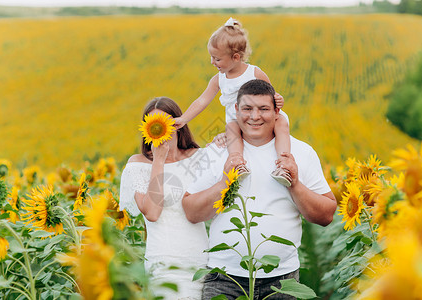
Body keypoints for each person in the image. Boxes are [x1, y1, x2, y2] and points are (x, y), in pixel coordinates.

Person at [182, 79, 337, 299]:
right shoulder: (217, 152)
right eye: (247, 109)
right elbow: (191, 211)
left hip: (281, 283)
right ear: (236, 110)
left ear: (277, 112)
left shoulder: (301, 153)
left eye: (264, 109)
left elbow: (326, 215)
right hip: (225, 281)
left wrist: (295, 184)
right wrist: (226, 181)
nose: (255, 117)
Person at [174, 17, 292, 186]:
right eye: (211, 57)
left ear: (236, 57)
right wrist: (183, 119)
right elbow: (202, 100)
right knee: (231, 128)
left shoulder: (255, 73)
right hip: (238, 122)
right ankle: (237, 162)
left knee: (282, 122)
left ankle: (284, 162)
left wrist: (278, 100)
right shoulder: (218, 79)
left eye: (217, 59)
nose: (212, 62)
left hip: (261, 118)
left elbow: (271, 95)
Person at [119, 97, 209, 300]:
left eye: (166, 124)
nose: (161, 131)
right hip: (165, 263)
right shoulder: (138, 165)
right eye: (154, 126)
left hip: (202, 261)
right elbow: (152, 212)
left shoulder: (199, 158)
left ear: (178, 125)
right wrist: (158, 160)